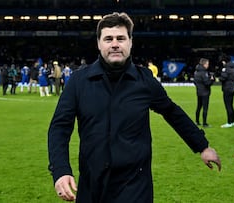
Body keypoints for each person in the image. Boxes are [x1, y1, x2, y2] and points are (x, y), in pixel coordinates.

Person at [48, 12, 221, 203]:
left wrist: (202, 146)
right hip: (92, 186)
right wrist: (61, 170)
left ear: (130, 42)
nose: (115, 44)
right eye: (108, 39)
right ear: (99, 43)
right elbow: (60, 127)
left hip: (135, 187)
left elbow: (172, 112)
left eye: (121, 38)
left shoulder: (144, 80)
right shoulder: (79, 81)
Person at [193, 58, 214, 127]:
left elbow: (195, 82)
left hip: (199, 92)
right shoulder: (204, 73)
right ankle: (204, 123)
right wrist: (211, 80)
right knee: (205, 108)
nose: (208, 65)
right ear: (204, 64)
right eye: (207, 64)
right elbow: (207, 83)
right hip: (205, 92)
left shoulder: (196, 72)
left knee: (198, 107)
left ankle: (197, 121)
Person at [219, 54, 234, 128]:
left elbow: (223, 78)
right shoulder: (233, 68)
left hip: (227, 89)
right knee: (231, 105)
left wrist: (219, 78)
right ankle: (232, 121)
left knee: (228, 106)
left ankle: (229, 122)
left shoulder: (225, 68)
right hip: (232, 88)